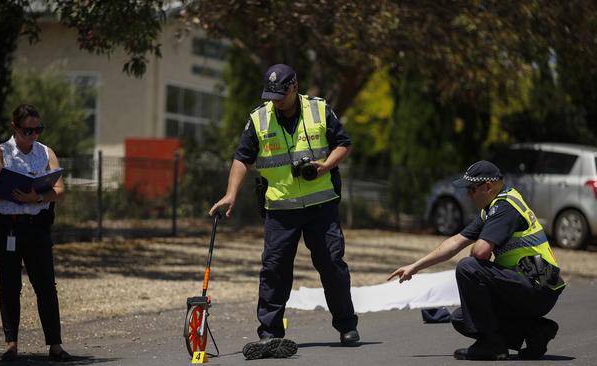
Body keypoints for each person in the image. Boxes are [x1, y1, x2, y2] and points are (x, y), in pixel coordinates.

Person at [209, 64, 359, 359]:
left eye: (280, 94)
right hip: (280, 209)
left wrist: (325, 166)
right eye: (271, 95)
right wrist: (230, 194)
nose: (275, 101)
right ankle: (270, 333)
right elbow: (242, 158)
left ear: (294, 87)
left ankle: (346, 325)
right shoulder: (259, 118)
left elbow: (344, 144)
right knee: (274, 270)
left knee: (332, 264)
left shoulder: (319, 109)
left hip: (321, 205)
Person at [388, 160, 565, 361]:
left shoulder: (504, 207)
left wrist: (480, 247)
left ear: (487, 187)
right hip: (531, 282)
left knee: (468, 267)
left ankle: (492, 345)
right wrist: (415, 267)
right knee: (462, 318)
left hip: (536, 284)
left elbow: (480, 252)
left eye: (471, 189)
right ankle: (535, 332)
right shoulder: (493, 207)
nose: (468, 195)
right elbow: (455, 241)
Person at [0, 104, 71, 362]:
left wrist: (36, 196)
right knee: (10, 285)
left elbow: (60, 190)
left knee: (46, 286)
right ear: (15, 128)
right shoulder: (1, 152)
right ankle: (11, 344)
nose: (33, 135)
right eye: (27, 130)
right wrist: (15, 192)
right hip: (6, 227)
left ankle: (55, 345)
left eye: (38, 130)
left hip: (36, 227)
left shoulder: (46, 152)